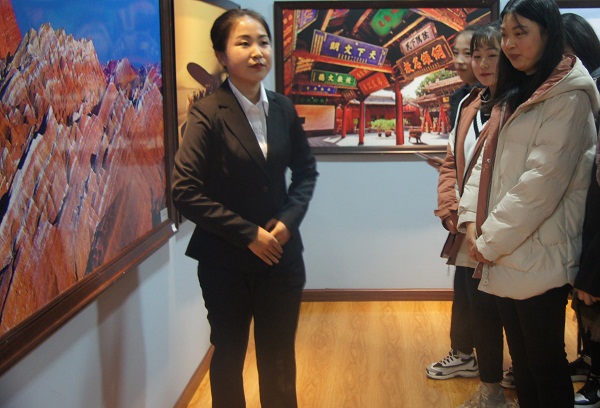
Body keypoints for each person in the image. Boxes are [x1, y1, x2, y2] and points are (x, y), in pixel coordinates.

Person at [171, 9, 318, 408]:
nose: (258, 52)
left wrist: (287, 222)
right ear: (222, 56)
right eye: (244, 43)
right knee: (229, 354)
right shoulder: (207, 112)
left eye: (264, 42)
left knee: (279, 358)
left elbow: (306, 172)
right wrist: (248, 233)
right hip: (225, 262)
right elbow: (184, 190)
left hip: (281, 258)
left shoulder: (283, 108)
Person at [458, 0, 600, 406]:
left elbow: (539, 186)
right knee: (522, 363)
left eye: (520, 33)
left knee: (544, 363)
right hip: (505, 249)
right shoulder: (516, 90)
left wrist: (488, 240)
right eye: (505, 34)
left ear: (549, 34)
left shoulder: (567, 97)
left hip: (540, 252)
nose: (509, 44)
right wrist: (471, 220)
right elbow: (485, 164)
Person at [426, 24, 485, 379]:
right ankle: (465, 353)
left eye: (475, 54)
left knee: (488, 294)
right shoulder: (465, 100)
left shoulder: (509, 101)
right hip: (464, 212)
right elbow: (454, 158)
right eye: (461, 53)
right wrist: (449, 203)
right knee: (466, 286)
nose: (465, 61)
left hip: (492, 217)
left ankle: (492, 365)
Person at [561, 11, 600, 408]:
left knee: (594, 296)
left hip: (596, 211)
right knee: (585, 299)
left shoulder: (593, 92)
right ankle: (589, 363)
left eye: (566, 52)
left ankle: (598, 381)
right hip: (583, 211)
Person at [426, 26, 479, 170]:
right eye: (456, 53)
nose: (459, 61)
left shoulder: (497, 97)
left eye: (467, 53)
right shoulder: (457, 98)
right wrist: (448, 167)